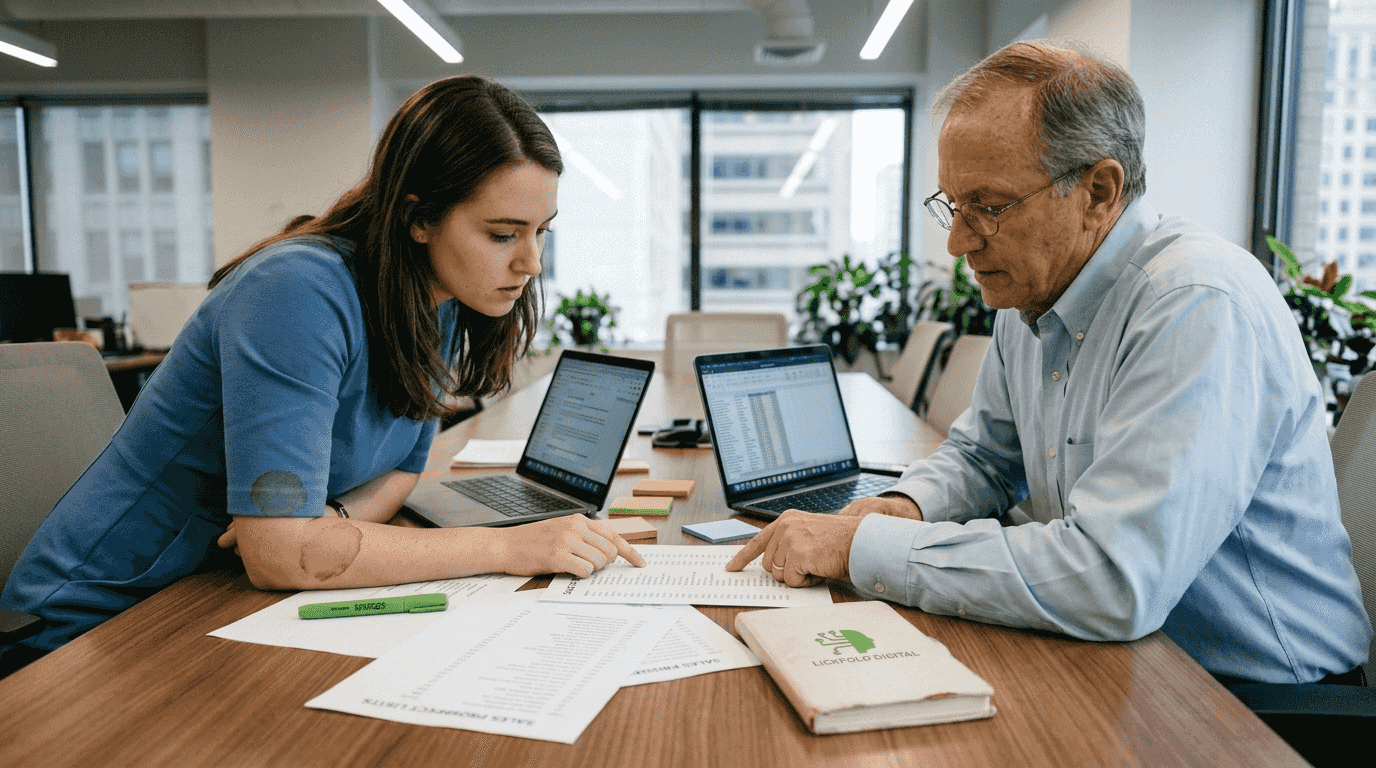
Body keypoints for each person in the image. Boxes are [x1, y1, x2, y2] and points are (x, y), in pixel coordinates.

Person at [727, 41, 1371, 686]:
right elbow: (984, 460)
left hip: (1263, 695)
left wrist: (861, 547)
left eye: (990, 205)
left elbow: (1112, 578)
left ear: (1097, 190)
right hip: (1133, 657)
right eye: (952, 204)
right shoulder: (1033, 292)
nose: (957, 241)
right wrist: (898, 509)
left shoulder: (1193, 304)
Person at [2, 75, 644, 662]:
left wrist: (322, 530)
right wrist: (508, 547)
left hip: (220, 603)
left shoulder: (436, 301)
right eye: (503, 234)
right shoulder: (296, 292)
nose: (530, 262)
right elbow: (280, 555)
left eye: (542, 231)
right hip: (94, 625)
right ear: (418, 217)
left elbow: (402, 469)